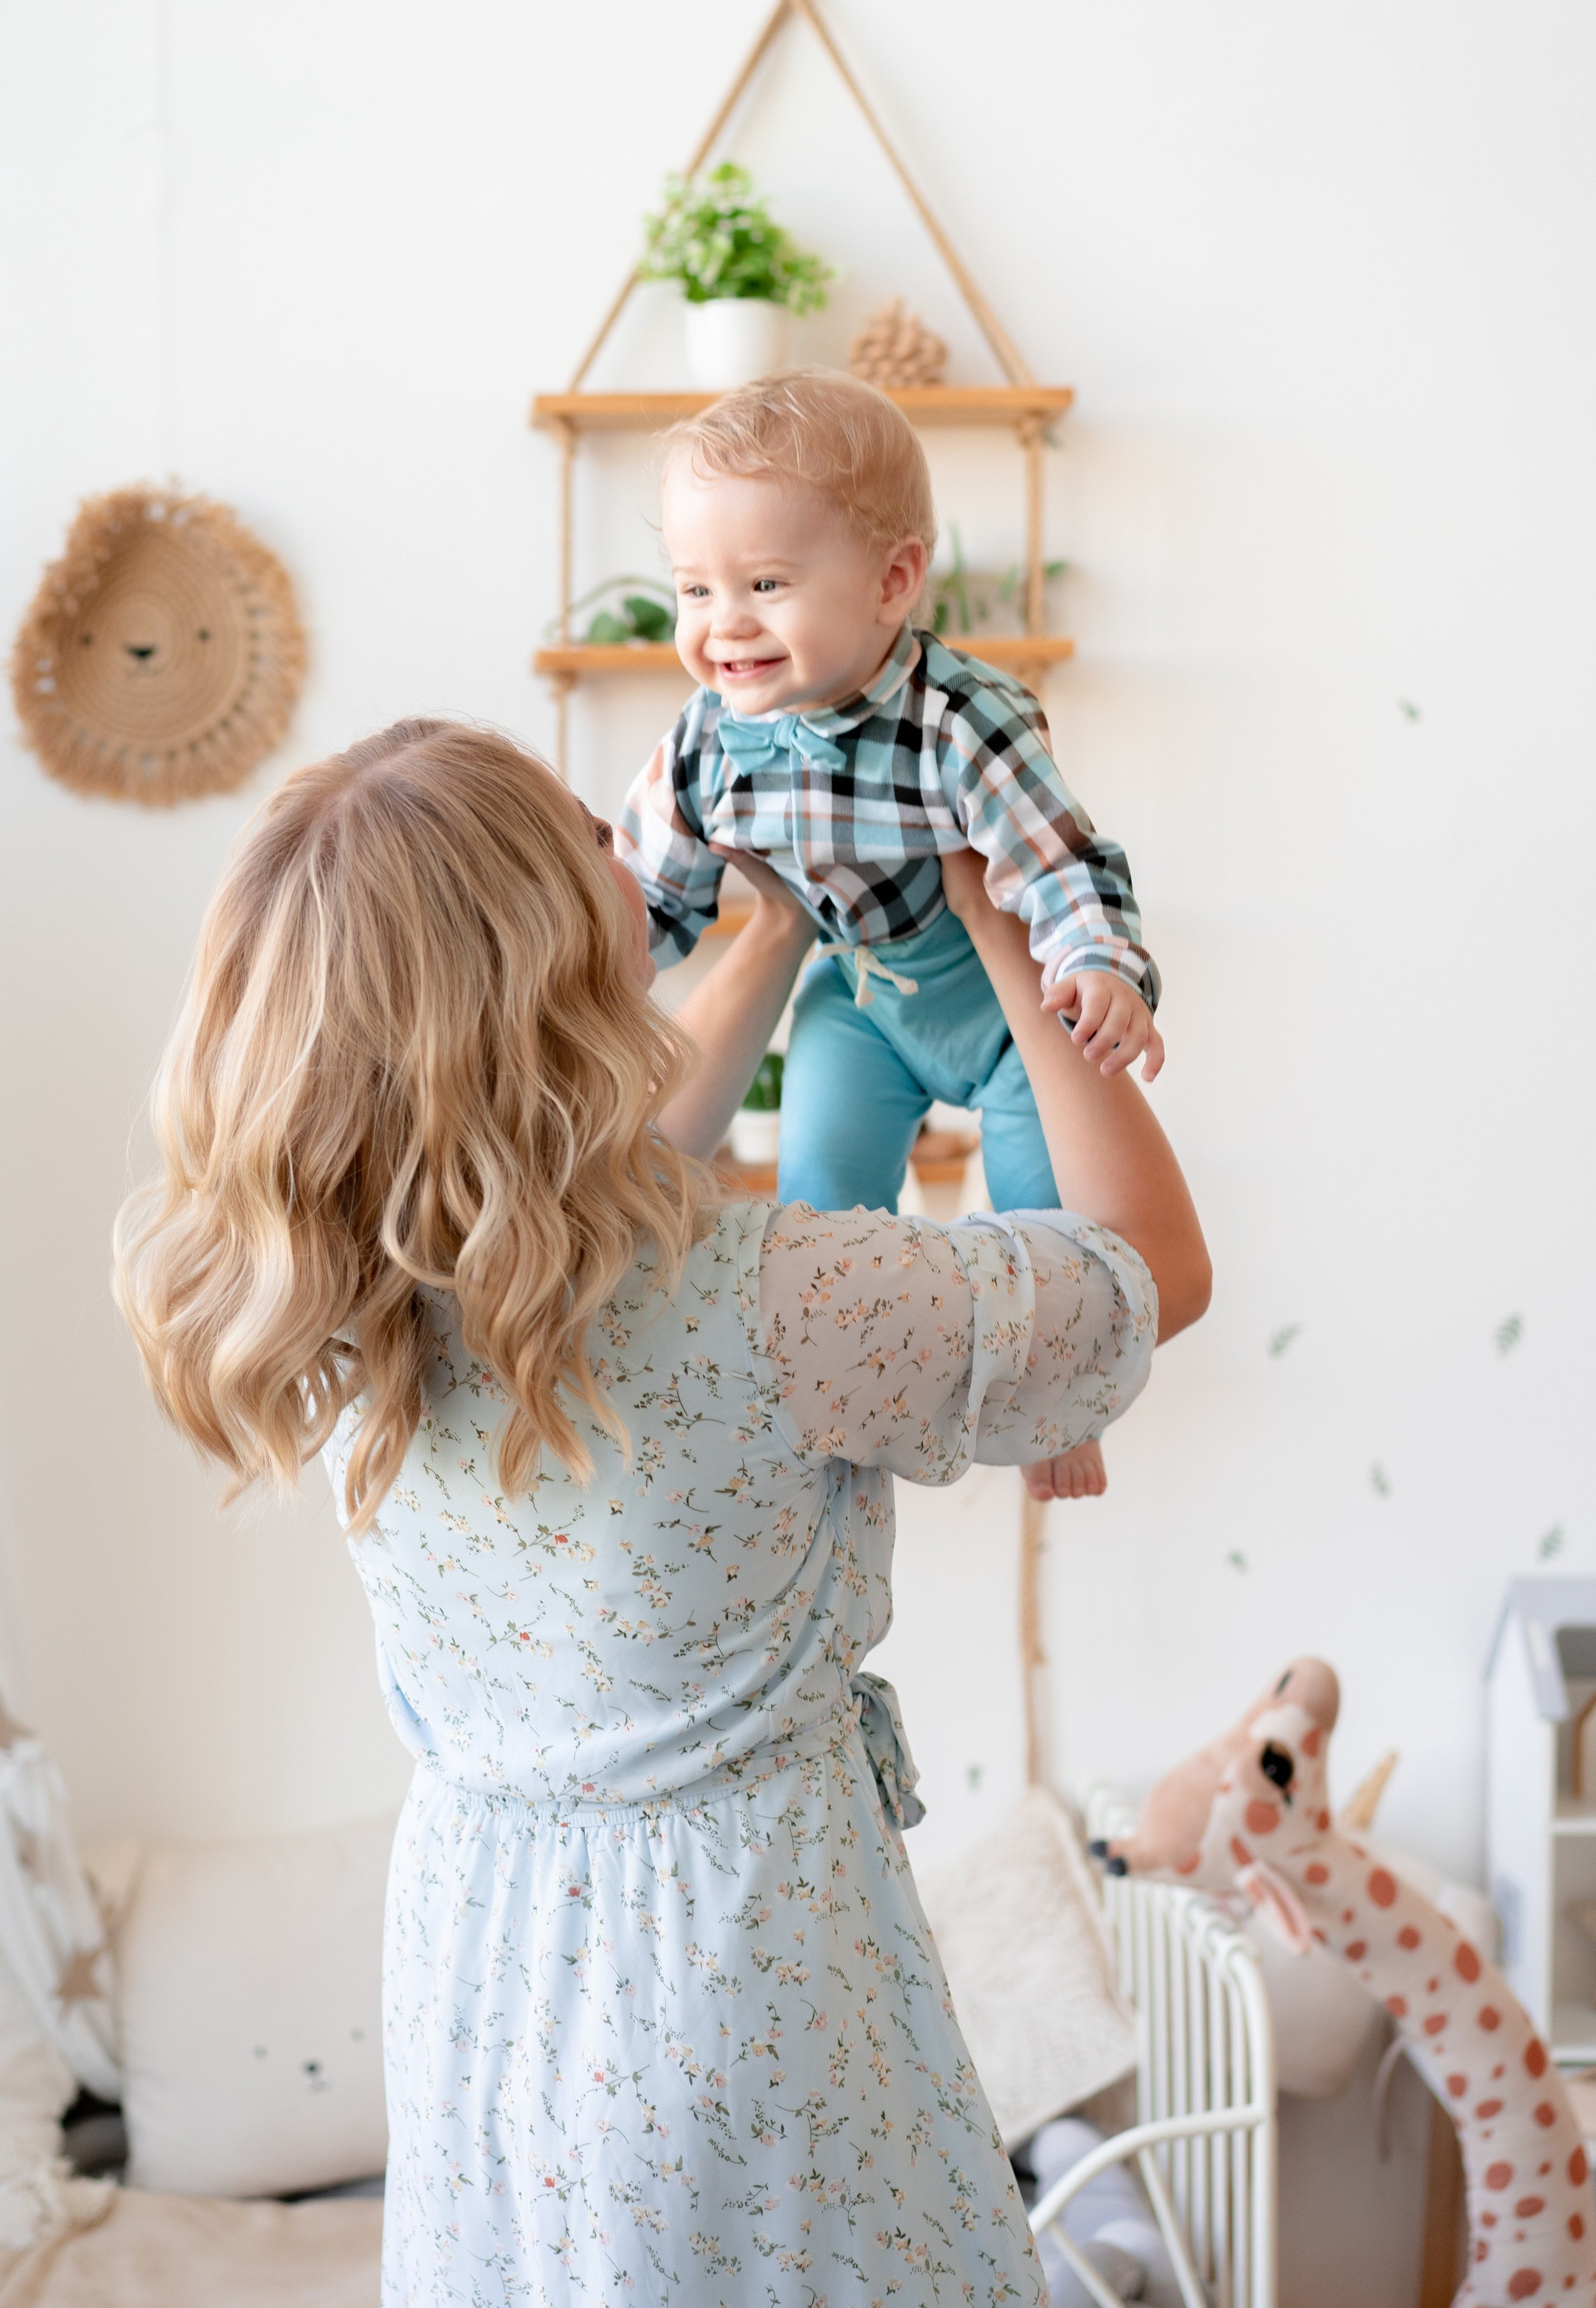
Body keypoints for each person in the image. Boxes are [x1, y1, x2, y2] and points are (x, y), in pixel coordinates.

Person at [114, 719, 1209, 2306]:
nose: (638, 825)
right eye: (588, 828)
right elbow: (1145, 1271)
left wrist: (768, 927)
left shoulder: (352, 1287)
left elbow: (607, 1170)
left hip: (487, 1973)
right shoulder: (784, 1301)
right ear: (557, 951)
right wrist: (1004, 928)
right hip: (735, 1981)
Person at [622, 369, 1161, 1506]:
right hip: (861, 996)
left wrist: (1099, 966)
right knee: (821, 1199)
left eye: (766, 583)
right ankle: (840, 1395)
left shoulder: (959, 718)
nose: (724, 625)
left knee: (1040, 1205)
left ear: (893, 580)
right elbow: (650, 903)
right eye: (695, 588)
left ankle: (1051, 1399)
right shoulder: (709, 742)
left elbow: (1059, 864)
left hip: (1002, 1006)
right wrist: (577, 972)